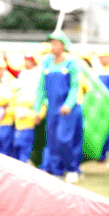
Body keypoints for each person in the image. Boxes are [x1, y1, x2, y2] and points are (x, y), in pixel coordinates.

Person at [33, 30, 81, 180]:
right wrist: (37, 109)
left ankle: (72, 169)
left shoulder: (71, 63)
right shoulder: (46, 63)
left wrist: (68, 104)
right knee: (52, 139)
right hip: (52, 107)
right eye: (51, 43)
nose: (53, 46)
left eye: (56, 43)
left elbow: (74, 86)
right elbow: (41, 88)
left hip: (67, 109)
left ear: (63, 45)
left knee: (64, 139)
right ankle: (55, 169)